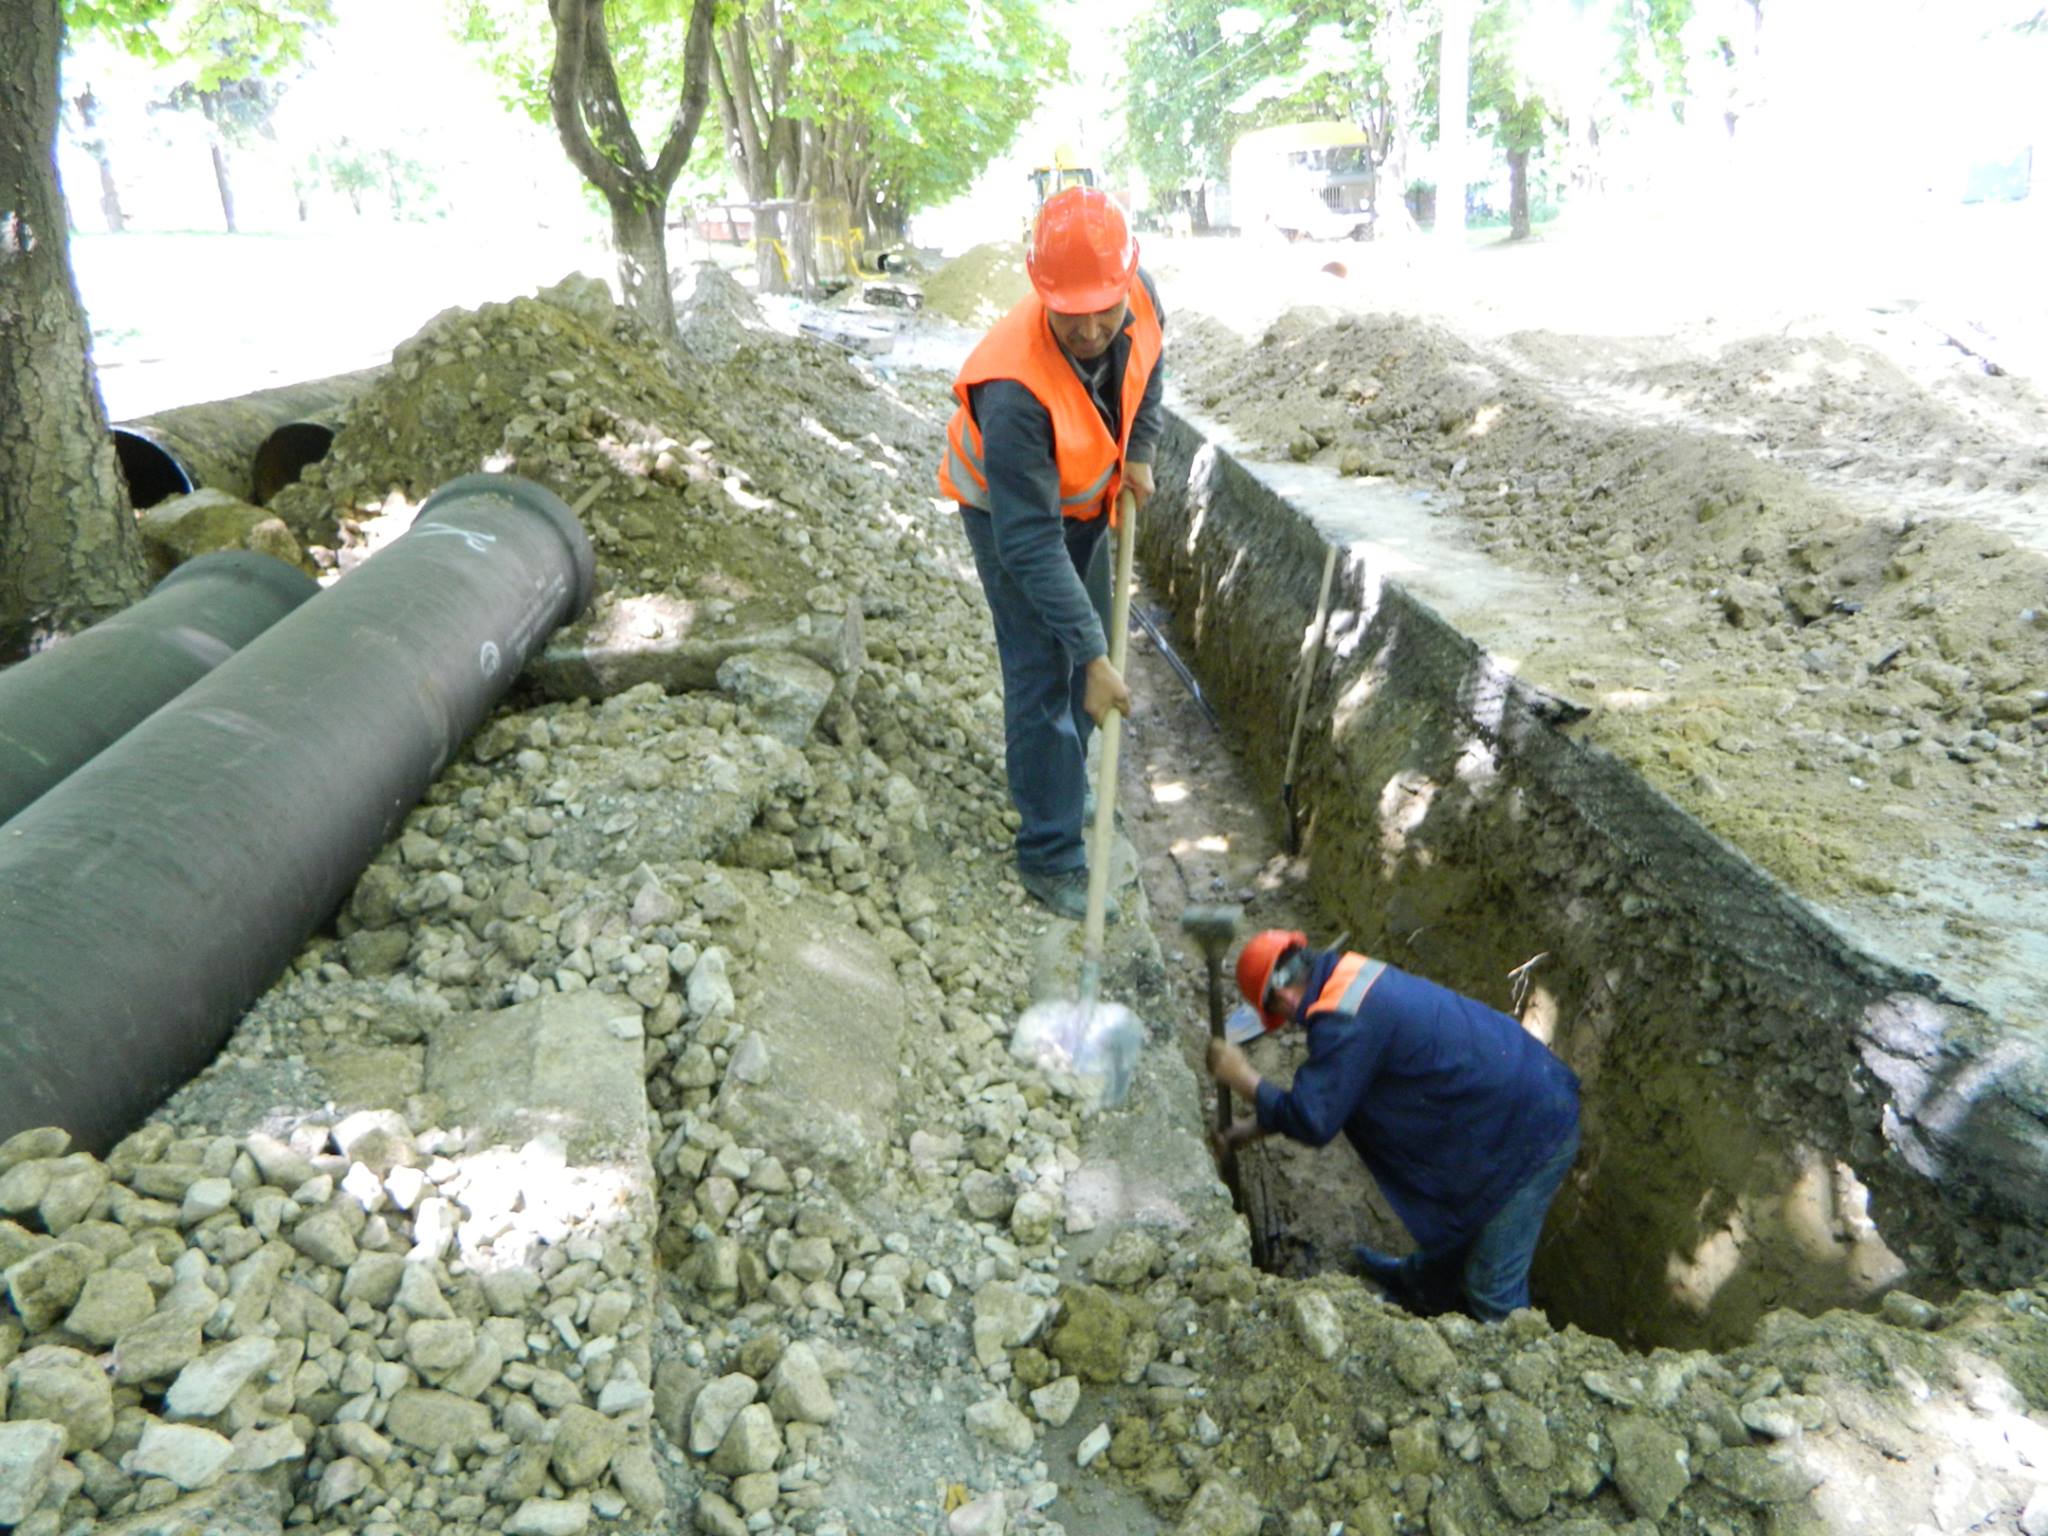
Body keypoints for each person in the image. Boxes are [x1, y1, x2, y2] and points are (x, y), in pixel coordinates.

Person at [937, 187, 1166, 920]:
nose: (1094, 325)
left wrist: (1143, 453)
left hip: (1084, 498)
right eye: (1074, 311)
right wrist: (1097, 656)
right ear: (1042, 293)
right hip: (1011, 518)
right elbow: (1028, 541)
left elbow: (1149, 371)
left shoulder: (1139, 298)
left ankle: (1068, 793)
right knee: (1044, 671)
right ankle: (1050, 854)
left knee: (1083, 649)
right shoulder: (1013, 389)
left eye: (1107, 305)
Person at [1206, 929, 1581, 1321]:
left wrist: (1242, 1076)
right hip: (1519, 1093)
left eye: (1279, 1017)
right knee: (1461, 1219)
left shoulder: (1341, 1021)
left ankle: (1525, 1367)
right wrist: (1248, 1131)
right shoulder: (1346, 975)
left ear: (1282, 998)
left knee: (1492, 1288)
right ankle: (1421, 1285)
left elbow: (1314, 1120)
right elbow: (1337, 1091)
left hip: (1530, 1134)